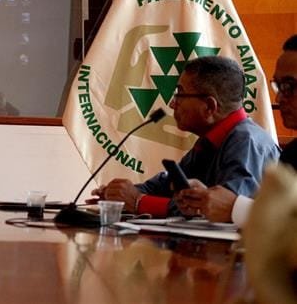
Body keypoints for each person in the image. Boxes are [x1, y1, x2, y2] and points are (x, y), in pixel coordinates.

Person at [91, 55, 280, 217]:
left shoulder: (247, 142)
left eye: (180, 94)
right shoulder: (210, 140)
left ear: (209, 107)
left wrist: (140, 202)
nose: (172, 104)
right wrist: (119, 194)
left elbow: (223, 209)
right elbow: (168, 186)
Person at [178, 35, 297, 225]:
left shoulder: (247, 141)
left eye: (289, 86)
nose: (279, 98)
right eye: (278, 86)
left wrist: (236, 208)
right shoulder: (293, 154)